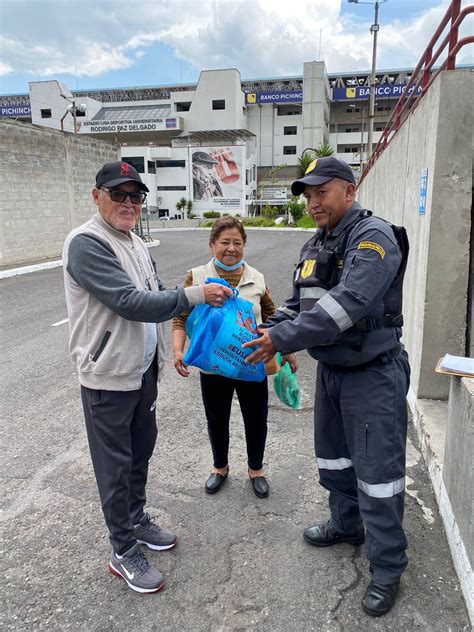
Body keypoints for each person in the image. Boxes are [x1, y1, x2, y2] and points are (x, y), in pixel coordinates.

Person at [243, 157, 410, 617]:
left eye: (322, 192)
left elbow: (348, 303)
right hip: (334, 374)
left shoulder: (373, 238)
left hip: (373, 375)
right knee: (335, 462)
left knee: (378, 476)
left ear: (349, 191)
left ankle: (388, 568)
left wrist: (282, 337)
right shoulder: (315, 245)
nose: (313, 202)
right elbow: (299, 306)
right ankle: (347, 524)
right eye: (308, 195)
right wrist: (264, 328)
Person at [62, 161, 232, 594]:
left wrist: (196, 313)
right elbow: (130, 302)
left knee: (140, 454)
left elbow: (157, 296)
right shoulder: (87, 243)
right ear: (96, 195)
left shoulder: (137, 242)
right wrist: (196, 294)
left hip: (141, 373)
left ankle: (136, 521)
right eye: (118, 194)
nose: (128, 203)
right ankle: (122, 550)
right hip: (107, 378)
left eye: (135, 196)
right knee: (114, 468)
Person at [172, 217, 297, 498]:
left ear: (244, 246)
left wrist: (287, 349)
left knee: (256, 418)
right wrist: (178, 350)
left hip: (251, 363)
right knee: (216, 418)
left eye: (237, 243)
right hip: (214, 365)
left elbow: (272, 316)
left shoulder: (257, 278)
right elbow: (180, 318)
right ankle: (220, 468)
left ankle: (256, 470)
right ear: (212, 244)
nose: (231, 248)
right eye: (225, 242)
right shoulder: (196, 277)